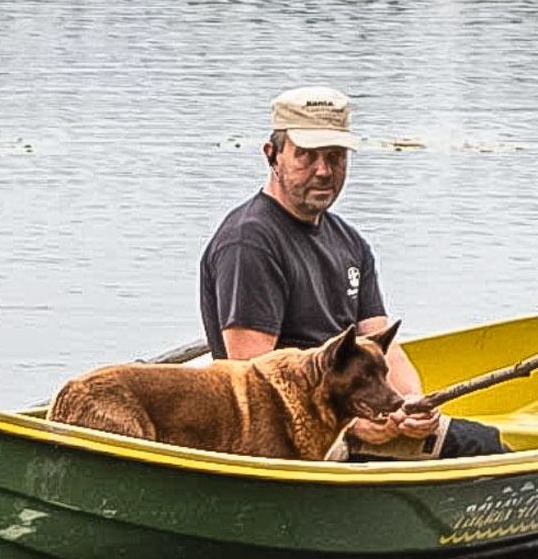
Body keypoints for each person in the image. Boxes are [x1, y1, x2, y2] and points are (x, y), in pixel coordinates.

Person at [199, 86, 504, 459]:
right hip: (288, 434)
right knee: (480, 446)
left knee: (472, 437)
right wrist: (352, 422)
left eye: (335, 157)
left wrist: (412, 402)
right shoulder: (250, 241)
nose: (323, 171)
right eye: (306, 156)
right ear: (272, 155)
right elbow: (250, 375)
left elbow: (379, 342)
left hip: (352, 408)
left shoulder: (349, 241)